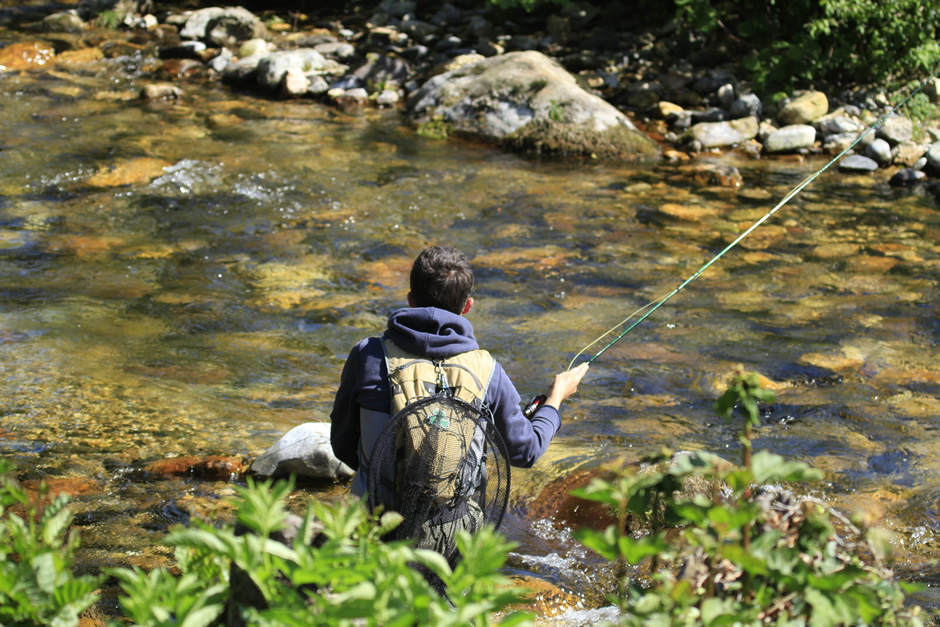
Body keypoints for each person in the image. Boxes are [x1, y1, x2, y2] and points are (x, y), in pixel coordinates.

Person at [330, 245, 589, 499]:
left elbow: (342, 445)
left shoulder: (369, 355)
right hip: (453, 536)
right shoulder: (489, 371)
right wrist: (554, 401)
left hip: (374, 526)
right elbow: (526, 452)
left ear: (410, 299)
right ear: (468, 306)